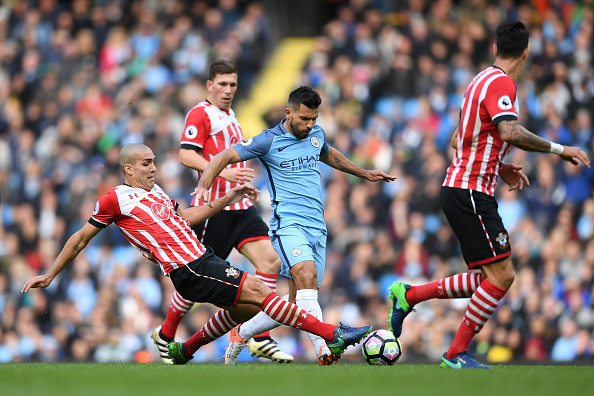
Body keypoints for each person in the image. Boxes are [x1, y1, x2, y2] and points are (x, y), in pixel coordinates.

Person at [21, 143, 373, 365]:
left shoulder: (156, 192)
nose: (153, 168)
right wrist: (51, 273)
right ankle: (331, 334)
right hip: (188, 267)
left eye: (154, 161)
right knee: (264, 294)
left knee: (247, 309)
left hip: (202, 259)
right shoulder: (114, 199)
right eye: (146, 163)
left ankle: (184, 350)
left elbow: (184, 218)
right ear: (128, 169)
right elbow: (81, 238)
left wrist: (225, 201)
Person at [387, 20, 590, 369]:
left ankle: (410, 295)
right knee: (505, 276)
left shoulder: (478, 81)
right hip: (469, 192)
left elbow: (458, 139)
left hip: (462, 188)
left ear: (495, 48)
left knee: (488, 279)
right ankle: (455, 353)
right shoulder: (501, 84)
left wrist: (498, 165)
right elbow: (508, 130)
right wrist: (560, 149)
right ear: (526, 52)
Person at [192, 86, 397, 365]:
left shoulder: (315, 135)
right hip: (287, 225)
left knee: (293, 304)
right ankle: (324, 348)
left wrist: (364, 173)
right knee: (307, 276)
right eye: (304, 119)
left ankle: (241, 333)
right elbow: (223, 156)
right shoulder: (267, 141)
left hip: (317, 227)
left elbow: (328, 154)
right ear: (288, 113)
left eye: (314, 118)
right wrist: (204, 184)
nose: (309, 124)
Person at [151, 60, 292, 364]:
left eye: (233, 85)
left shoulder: (230, 115)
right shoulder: (200, 114)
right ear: (209, 85)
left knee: (270, 261)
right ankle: (166, 333)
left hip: (240, 206)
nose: (228, 90)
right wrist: (223, 173)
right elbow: (186, 155)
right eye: (223, 84)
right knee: (198, 278)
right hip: (214, 209)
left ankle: (257, 334)